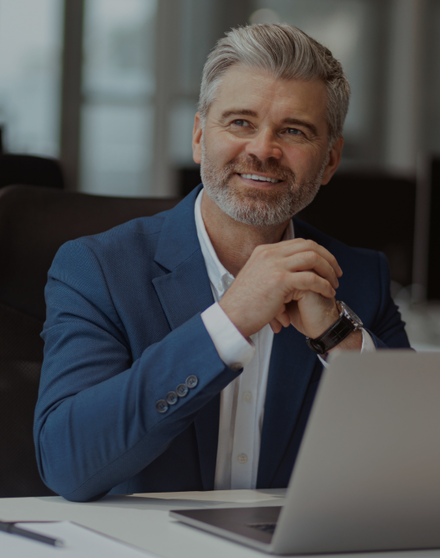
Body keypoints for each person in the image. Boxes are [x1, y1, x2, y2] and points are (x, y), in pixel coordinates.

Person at [34, 23, 410, 502]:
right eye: (240, 123)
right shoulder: (96, 269)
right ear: (198, 136)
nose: (262, 149)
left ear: (331, 159)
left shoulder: (359, 278)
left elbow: (418, 462)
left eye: (293, 130)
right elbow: (67, 464)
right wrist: (228, 322)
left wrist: (336, 336)